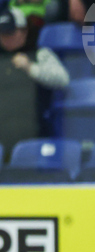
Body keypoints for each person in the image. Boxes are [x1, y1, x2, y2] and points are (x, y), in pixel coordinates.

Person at [0, 5, 68, 161]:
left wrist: (31, 68)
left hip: (34, 136)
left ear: (23, 31)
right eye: (2, 34)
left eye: (10, 33)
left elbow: (62, 79)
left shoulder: (40, 54)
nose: (6, 38)